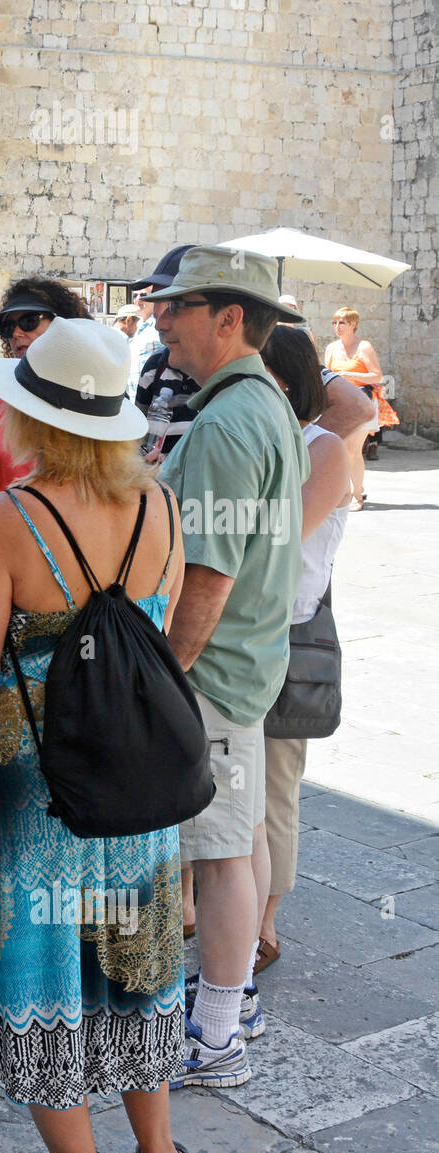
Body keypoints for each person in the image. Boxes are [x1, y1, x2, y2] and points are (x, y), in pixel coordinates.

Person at [0, 317, 188, 1153]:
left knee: (42, 974)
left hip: (36, 789)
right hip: (138, 780)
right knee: (135, 966)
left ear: (36, 421)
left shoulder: (5, 523)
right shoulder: (161, 506)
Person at [143, 245, 309, 1089]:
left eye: (179, 305)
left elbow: (208, 575)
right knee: (237, 844)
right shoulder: (262, 403)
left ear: (230, 318)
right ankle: (232, 1002)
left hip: (213, 674)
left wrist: (165, 678)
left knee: (217, 858)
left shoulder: (226, 420)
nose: (162, 318)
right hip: (250, 661)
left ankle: (213, 1039)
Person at [254, 326, 354, 976]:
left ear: (280, 381)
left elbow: (275, 541)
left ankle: (263, 923)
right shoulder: (265, 441)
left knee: (276, 789)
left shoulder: (322, 449)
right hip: (245, 633)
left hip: (285, 635)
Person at [0, 277, 90, 510]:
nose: (15, 333)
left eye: (29, 321)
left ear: (62, 324)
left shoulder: (92, 394)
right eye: (8, 327)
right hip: (6, 532)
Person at [325, 306, 397, 499]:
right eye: (335, 322)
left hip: (362, 402)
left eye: (342, 322)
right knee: (339, 449)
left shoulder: (363, 347)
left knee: (352, 450)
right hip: (339, 404)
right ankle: (347, 491)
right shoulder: (331, 348)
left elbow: (377, 376)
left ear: (353, 324)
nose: (337, 326)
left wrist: (348, 374)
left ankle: (356, 495)